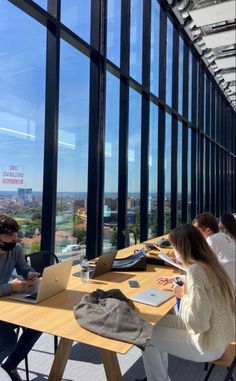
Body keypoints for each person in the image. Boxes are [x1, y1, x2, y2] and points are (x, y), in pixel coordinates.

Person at [137, 224, 235, 381]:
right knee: (150, 325)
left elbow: (198, 323)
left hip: (207, 345)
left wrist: (183, 297)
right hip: (220, 337)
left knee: (144, 335)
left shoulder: (196, 271)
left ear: (183, 249)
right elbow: (205, 286)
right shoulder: (210, 264)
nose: (175, 255)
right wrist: (177, 279)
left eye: (175, 249)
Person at [0, 215, 41, 381]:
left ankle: (10, 364)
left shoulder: (15, 249)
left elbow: (23, 267)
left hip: (7, 303)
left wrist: (29, 273)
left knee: (38, 324)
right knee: (8, 339)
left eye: (15, 235)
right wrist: (11, 287)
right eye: (10, 236)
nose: (14, 239)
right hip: (6, 299)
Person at [192, 212, 235, 289]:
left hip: (229, 289)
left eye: (197, 232)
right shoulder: (224, 236)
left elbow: (199, 266)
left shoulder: (211, 240)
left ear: (208, 230)